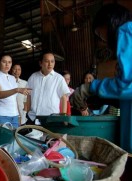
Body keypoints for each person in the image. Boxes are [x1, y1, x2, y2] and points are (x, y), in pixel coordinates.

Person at [71, 3, 132, 152]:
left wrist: (91, 87)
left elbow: (126, 85)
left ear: (109, 22)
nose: (103, 39)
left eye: (100, 33)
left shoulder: (127, 30)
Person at [26, 50, 70, 124]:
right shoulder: (33, 77)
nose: (50, 64)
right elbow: (28, 96)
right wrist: (28, 112)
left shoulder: (58, 78)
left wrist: (63, 117)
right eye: (47, 61)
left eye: (52, 61)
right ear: (40, 63)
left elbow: (63, 98)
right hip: (33, 118)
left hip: (51, 119)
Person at [0, 53, 30, 128]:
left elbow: (14, 99)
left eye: (9, 62)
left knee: (13, 139)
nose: (7, 64)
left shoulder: (12, 78)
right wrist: (16, 90)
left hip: (14, 115)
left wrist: (19, 115)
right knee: (1, 138)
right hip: (0, 115)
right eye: (4, 62)